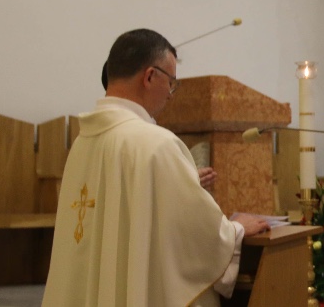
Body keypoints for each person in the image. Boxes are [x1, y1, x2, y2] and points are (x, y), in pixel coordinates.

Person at [43, 29, 268, 307]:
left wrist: (175, 182)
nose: (171, 95)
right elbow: (198, 234)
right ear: (150, 76)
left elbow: (120, 207)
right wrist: (236, 230)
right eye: (171, 82)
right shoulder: (156, 143)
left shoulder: (83, 141)